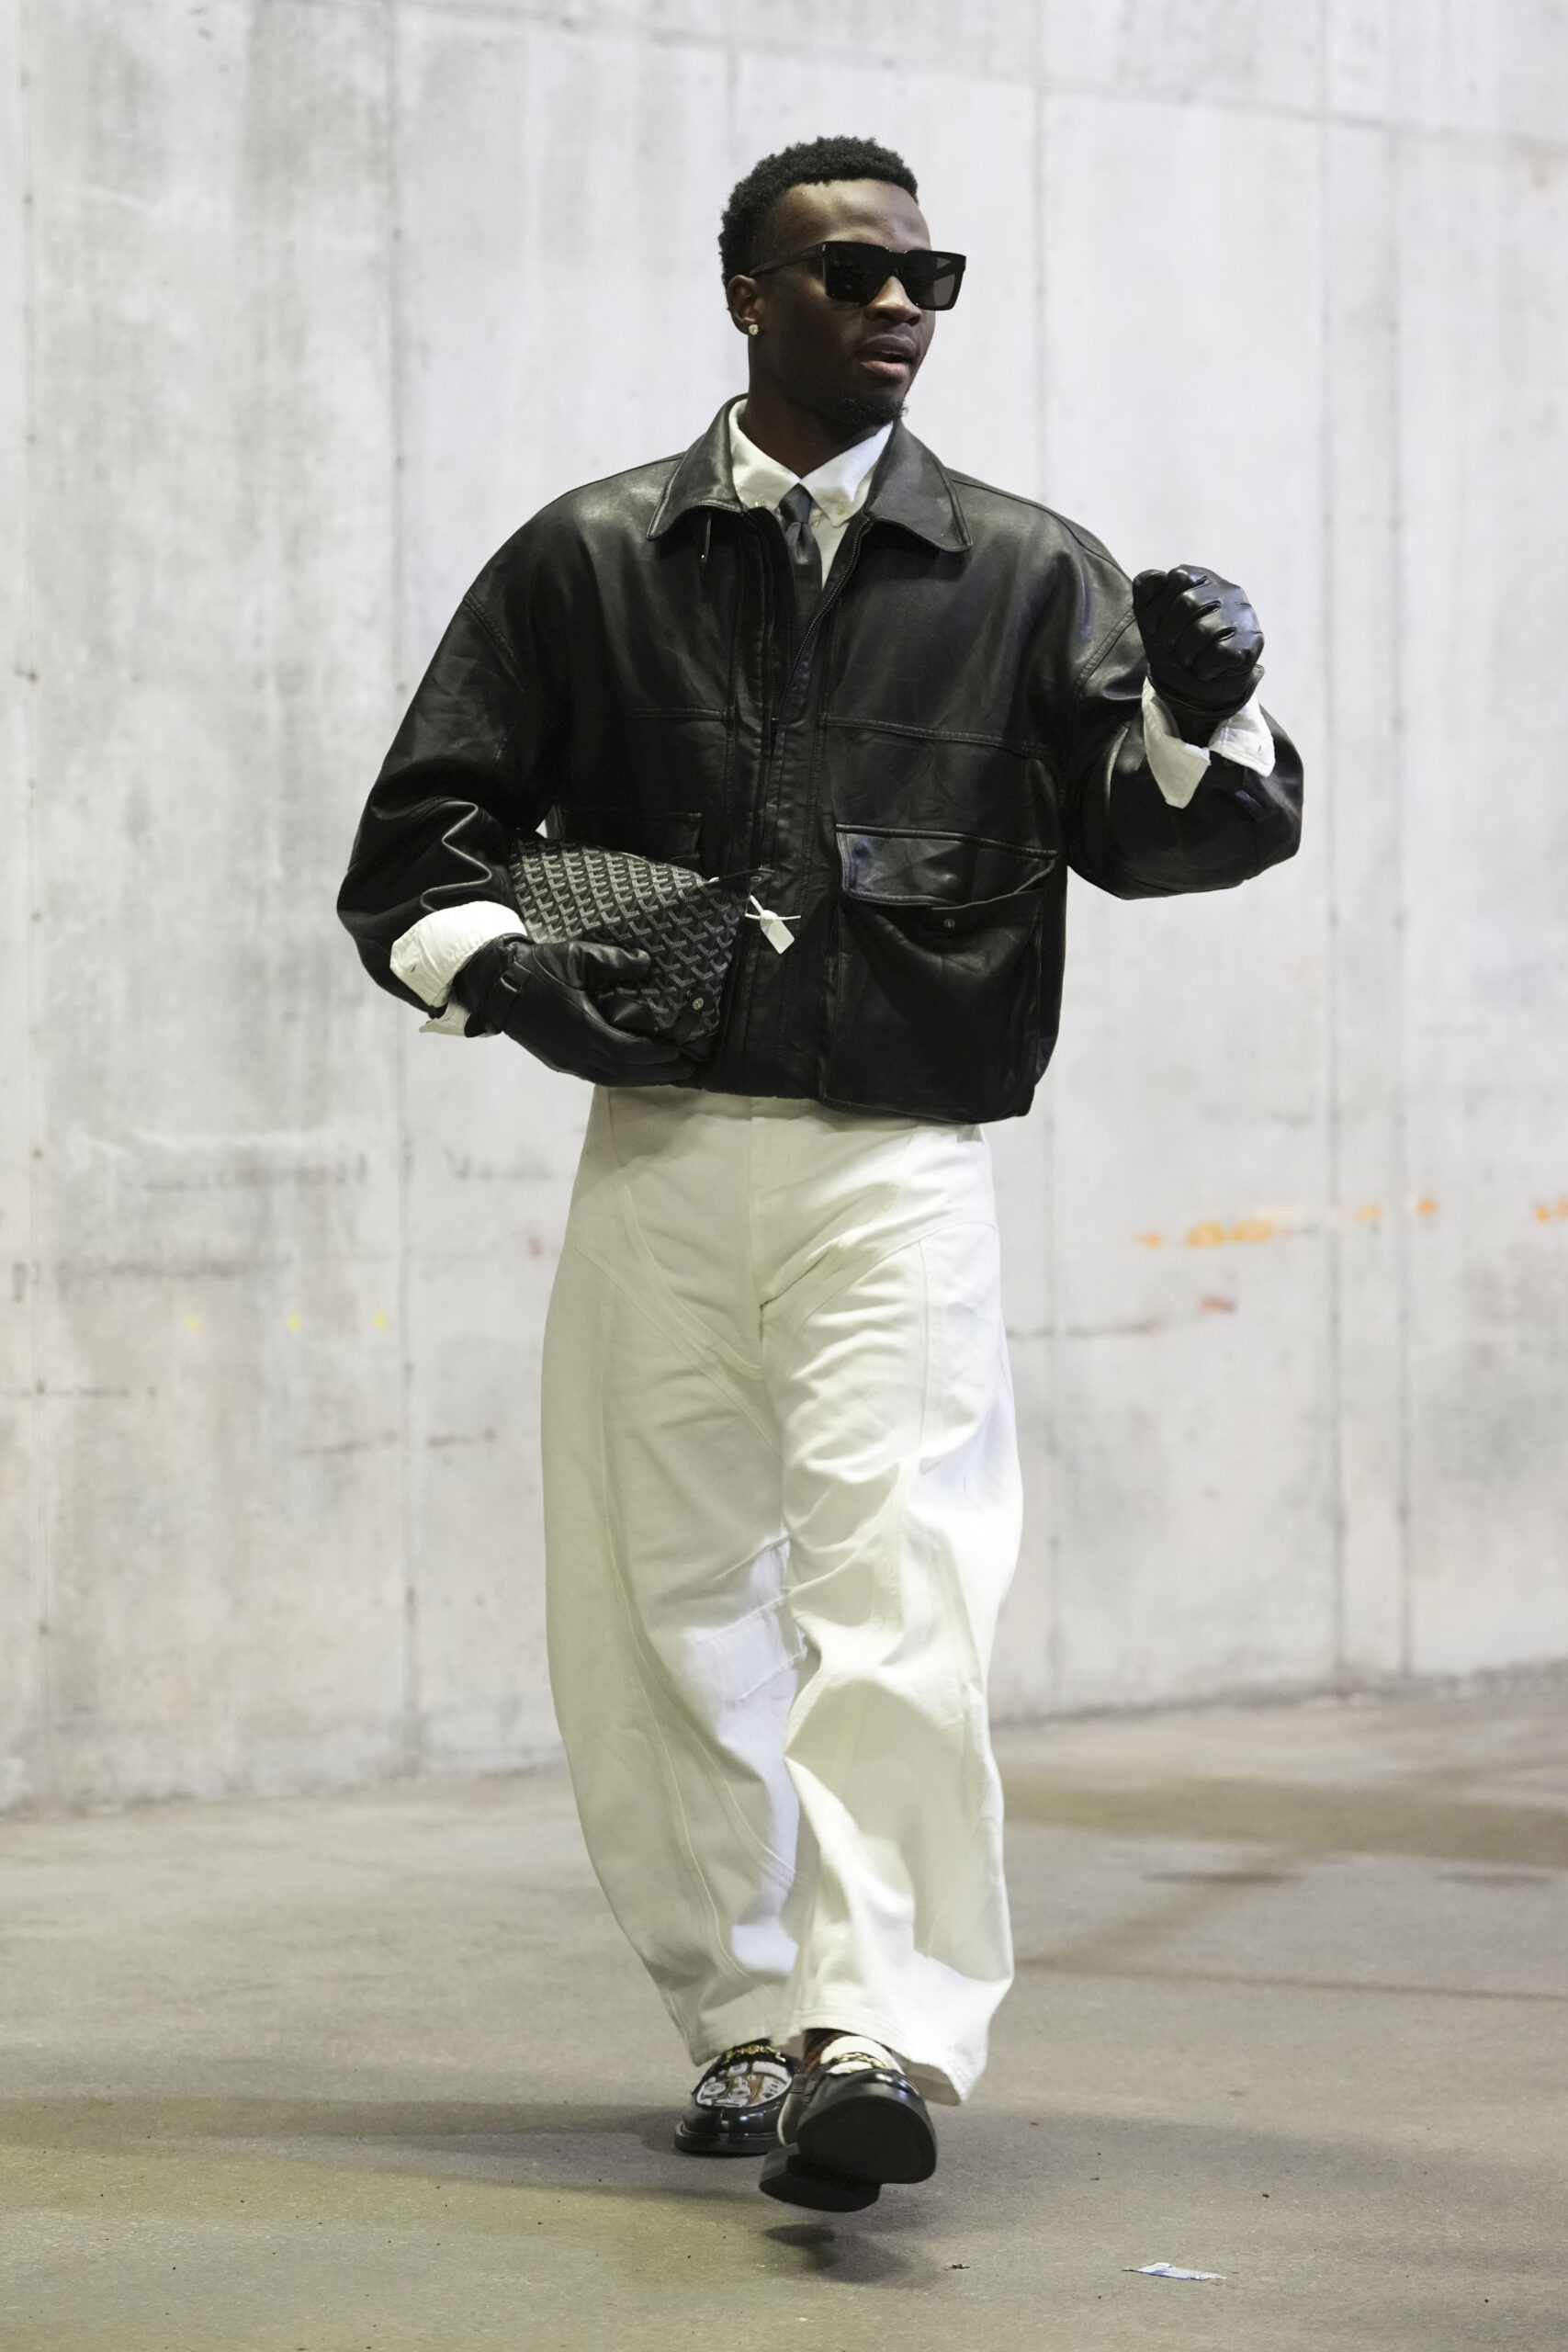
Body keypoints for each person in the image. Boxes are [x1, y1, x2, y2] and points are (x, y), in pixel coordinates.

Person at [338, 133, 1302, 2213]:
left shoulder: (1026, 572)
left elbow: (1158, 837)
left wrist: (1200, 719)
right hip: (659, 1153)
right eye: (850, 271)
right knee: (660, 1607)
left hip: (899, 1167)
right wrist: (506, 971)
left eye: (924, 277)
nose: (895, 305)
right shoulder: (590, 557)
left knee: (902, 1596)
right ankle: (739, 2020)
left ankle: (871, 2028)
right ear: (747, 296)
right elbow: (414, 847)